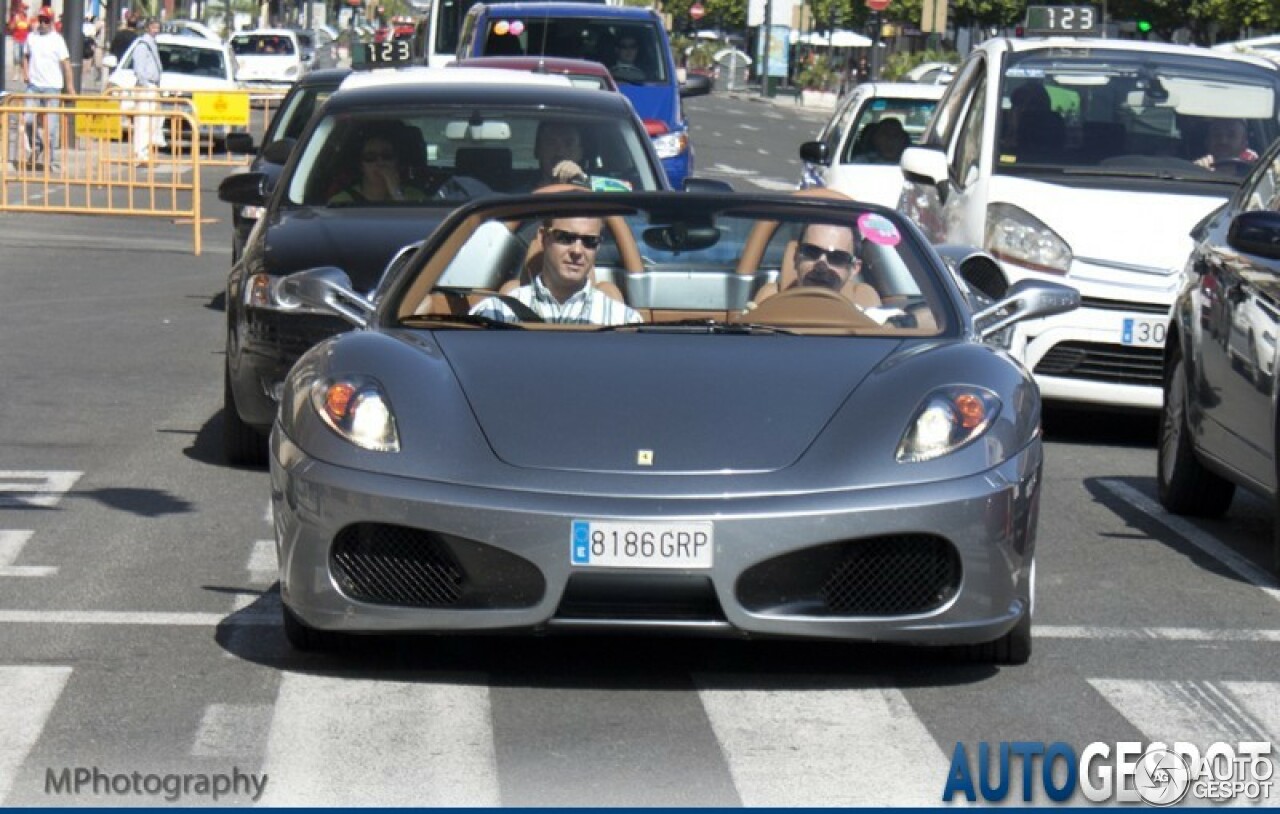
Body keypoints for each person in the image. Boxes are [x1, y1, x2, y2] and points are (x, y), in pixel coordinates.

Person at [470, 216, 643, 325]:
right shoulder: (494, 314)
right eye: (565, 238)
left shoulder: (624, 322)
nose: (577, 250)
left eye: (589, 241)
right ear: (543, 238)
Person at [22, 6, 74, 171]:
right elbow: (25, 55)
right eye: (40, 20)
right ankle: (36, 146)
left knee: (51, 128)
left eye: (46, 20)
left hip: (52, 88)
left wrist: (70, 87)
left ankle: (50, 161)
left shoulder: (57, 40)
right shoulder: (31, 37)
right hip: (34, 86)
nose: (42, 23)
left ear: (51, 22)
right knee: (28, 120)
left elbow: (66, 64)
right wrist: (25, 71)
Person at [328, 134, 428, 204]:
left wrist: (396, 194)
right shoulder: (342, 202)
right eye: (370, 157)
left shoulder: (416, 198)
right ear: (361, 165)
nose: (380, 163)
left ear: (396, 161)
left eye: (387, 156)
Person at [791, 223, 861, 292]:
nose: (821, 266)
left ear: (854, 269)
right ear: (796, 257)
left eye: (837, 257)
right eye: (811, 251)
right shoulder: (780, 303)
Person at [131, 17, 163, 165]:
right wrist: (145, 84)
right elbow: (139, 67)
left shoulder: (152, 43)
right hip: (146, 87)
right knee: (143, 121)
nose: (156, 29)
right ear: (148, 28)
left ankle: (145, 152)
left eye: (157, 27)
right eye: (154, 27)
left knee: (151, 122)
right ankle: (140, 153)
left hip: (152, 86)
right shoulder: (143, 45)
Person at [534, 120, 589, 187]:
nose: (560, 152)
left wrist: (581, 181)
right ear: (538, 150)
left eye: (569, 144)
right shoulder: (519, 189)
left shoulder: (596, 185)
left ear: (580, 153)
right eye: (551, 143)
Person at [1194, 119, 1259, 170]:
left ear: (1244, 144)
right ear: (1207, 142)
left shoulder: (1255, 178)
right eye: (1217, 135)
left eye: (1231, 135)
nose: (1223, 141)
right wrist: (1198, 171)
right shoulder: (1195, 171)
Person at [7, 3, 31, 67]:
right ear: (20, 9)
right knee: (17, 58)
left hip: (25, 40)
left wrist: (31, 26)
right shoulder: (16, 17)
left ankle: (22, 73)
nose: (25, 10)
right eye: (24, 8)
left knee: (24, 59)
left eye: (26, 9)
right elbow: (10, 28)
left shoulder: (27, 19)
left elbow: (30, 29)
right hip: (17, 40)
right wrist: (15, 23)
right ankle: (16, 72)